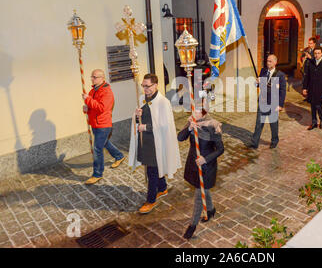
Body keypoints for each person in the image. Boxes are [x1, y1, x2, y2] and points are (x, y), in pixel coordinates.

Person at [129, 74, 181, 214]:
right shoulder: (141, 99)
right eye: (143, 86)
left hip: (157, 142)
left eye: (148, 86)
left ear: (156, 85)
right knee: (153, 167)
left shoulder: (163, 102)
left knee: (152, 171)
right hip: (144, 141)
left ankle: (150, 200)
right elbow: (137, 119)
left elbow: (165, 125)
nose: (145, 89)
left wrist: (145, 127)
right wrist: (136, 114)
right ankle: (162, 188)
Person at [178, 107, 224, 239]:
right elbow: (180, 138)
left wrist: (206, 159)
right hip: (193, 164)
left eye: (196, 112)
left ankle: (192, 226)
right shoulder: (191, 122)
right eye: (193, 111)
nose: (193, 114)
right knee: (204, 190)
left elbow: (220, 149)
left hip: (207, 166)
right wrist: (189, 129)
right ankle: (210, 210)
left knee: (199, 196)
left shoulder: (212, 125)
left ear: (204, 112)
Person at [83, 69, 125, 185]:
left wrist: (88, 99)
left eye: (95, 77)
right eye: (92, 76)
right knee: (105, 143)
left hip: (103, 125)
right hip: (95, 124)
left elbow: (102, 108)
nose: (92, 79)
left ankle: (97, 174)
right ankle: (119, 156)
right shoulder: (92, 91)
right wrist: (86, 108)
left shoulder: (107, 92)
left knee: (97, 149)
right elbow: (93, 107)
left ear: (102, 78)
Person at [248, 55, 286, 149]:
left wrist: (280, 105)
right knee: (258, 124)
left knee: (273, 124)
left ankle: (274, 141)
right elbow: (258, 85)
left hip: (273, 103)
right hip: (263, 101)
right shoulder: (263, 71)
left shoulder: (280, 75)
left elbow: (282, 91)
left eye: (270, 61)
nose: (268, 63)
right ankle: (254, 142)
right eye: (267, 61)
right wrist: (257, 82)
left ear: (275, 62)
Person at [302, 47, 322, 130]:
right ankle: (314, 122)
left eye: (318, 53)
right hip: (311, 88)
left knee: (318, 106)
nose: (317, 55)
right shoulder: (310, 63)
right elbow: (307, 76)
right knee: (312, 106)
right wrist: (304, 88)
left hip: (321, 89)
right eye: (315, 53)